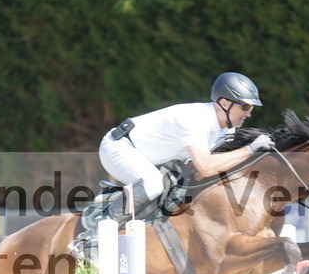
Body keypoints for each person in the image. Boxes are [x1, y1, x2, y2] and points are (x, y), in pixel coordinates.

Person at [94, 72, 275, 227]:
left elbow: (200, 173)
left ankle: (120, 203)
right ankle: (96, 234)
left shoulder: (226, 130)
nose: (249, 113)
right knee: (153, 184)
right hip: (118, 148)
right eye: (245, 106)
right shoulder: (194, 119)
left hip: (146, 159)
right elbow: (206, 167)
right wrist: (250, 149)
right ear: (225, 103)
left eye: (251, 108)